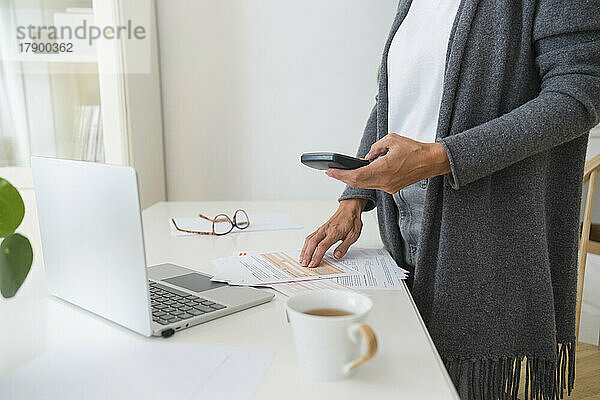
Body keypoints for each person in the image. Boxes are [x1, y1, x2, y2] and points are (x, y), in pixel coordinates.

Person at [299, 1, 600, 399]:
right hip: (400, 209)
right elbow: (392, 100)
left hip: (482, 214)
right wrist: (354, 198)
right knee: (407, 379)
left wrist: (441, 157)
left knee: (462, 385)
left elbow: (578, 95)